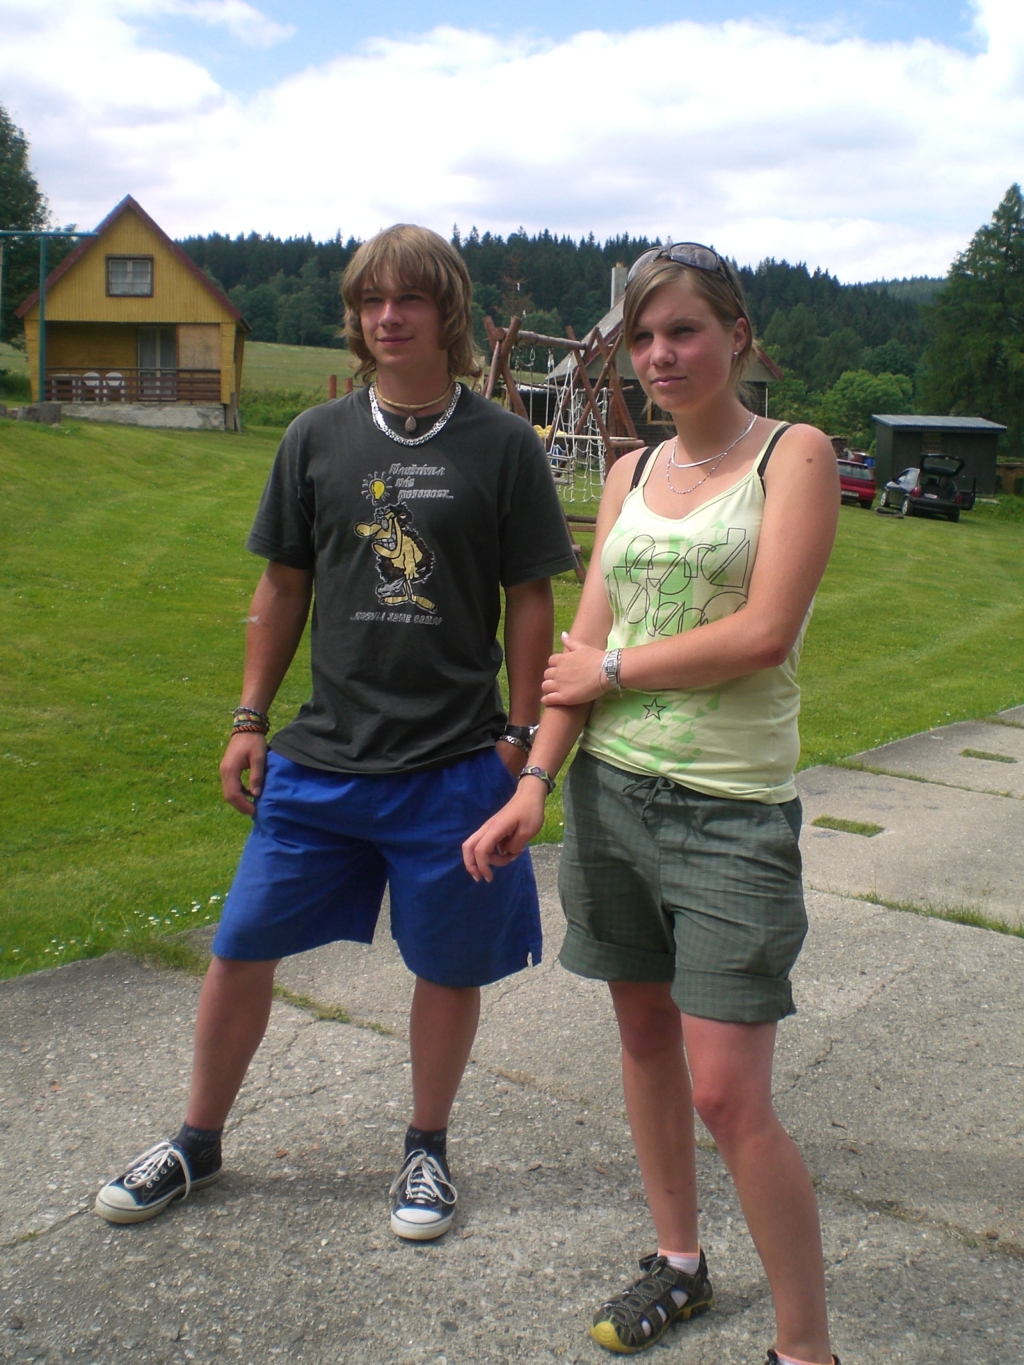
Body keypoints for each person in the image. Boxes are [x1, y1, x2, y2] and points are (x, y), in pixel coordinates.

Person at [94, 224, 577, 1241]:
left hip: (454, 763)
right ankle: (196, 1139)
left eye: (407, 299)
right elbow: (282, 586)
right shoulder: (316, 437)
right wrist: (248, 717)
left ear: (447, 310)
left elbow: (531, 599)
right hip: (322, 760)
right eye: (369, 301)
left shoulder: (504, 445)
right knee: (239, 947)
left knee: (447, 966)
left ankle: (426, 1147)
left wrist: (519, 739)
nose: (386, 317)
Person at [463, 243, 840, 1365]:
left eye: (683, 330)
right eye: (642, 337)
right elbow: (580, 646)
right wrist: (534, 782)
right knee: (641, 1039)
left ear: (737, 333)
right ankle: (678, 1261)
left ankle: (806, 1348)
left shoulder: (793, 453)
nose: (660, 354)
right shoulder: (628, 470)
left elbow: (762, 633)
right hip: (611, 799)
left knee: (729, 1094)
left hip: (729, 813)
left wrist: (614, 671)